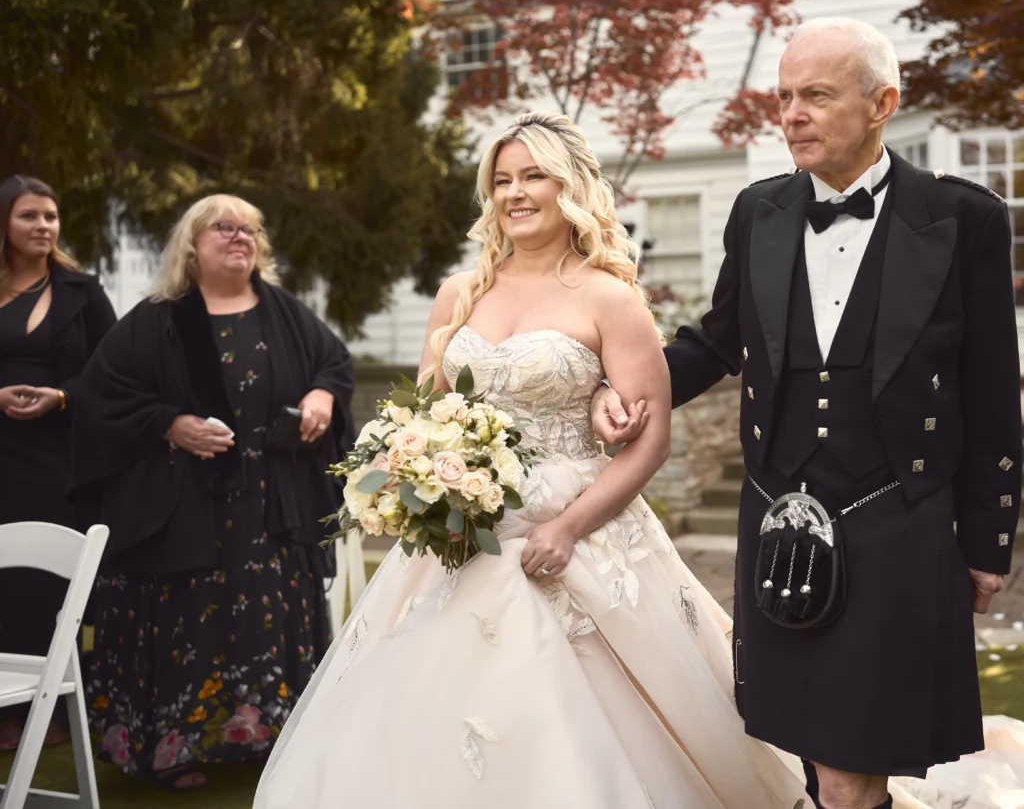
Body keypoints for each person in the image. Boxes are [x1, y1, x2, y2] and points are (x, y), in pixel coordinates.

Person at [253, 112, 811, 808]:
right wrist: (407, 475)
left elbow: (650, 440)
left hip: (575, 526)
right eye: (502, 180)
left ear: (569, 186)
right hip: (458, 530)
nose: (515, 193)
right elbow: (422, 411)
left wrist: (569, 528)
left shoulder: (609, 296)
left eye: (533, 176)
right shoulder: (460, 293)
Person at [594, 18, 1024, 809]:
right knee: (810, 755)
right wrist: (626, 386)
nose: (792, 114)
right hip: (780, 515)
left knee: (850, 772)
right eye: (784, 96)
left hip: (899, 516)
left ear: (882, 102)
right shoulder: (759, 212)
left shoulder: (963, 219)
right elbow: (717, 341)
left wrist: (987, 539)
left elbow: (991, 391)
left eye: (815, 94)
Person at [67, 194, 355, 790]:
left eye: (249, 228)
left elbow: (334, 364)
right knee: (186, 621)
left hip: (270, 507)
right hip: (182, 509)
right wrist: (168, 423)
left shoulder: (285, 313)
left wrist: (324, 395)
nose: (239, 237)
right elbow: (103, 397)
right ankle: (173, 747)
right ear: (191, 246)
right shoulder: (157, 319)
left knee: (264, 621)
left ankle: (266, 737)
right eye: (222, 228)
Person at [0, 175, 117, 751]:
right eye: (29, 216)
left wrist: (63, 396)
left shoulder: (82, 291)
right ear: (5, 223)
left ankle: (51, 712)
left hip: (58, 457)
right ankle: (5, 713)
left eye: (50, 215)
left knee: (44, 582)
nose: (43, 226)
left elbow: (114, 371)